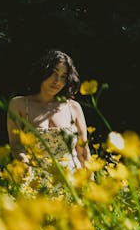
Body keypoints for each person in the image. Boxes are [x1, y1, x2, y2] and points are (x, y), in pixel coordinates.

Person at [6, 49, 91, 188]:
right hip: (34, 182)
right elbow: (16, 145)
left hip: (71, 182)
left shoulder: (73, 107)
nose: (57, 81)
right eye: (54, 73)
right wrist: (25, 166)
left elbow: (83, 150)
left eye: (63, 76)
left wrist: (91, 184)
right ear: (43, 72)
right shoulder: (19, 105)